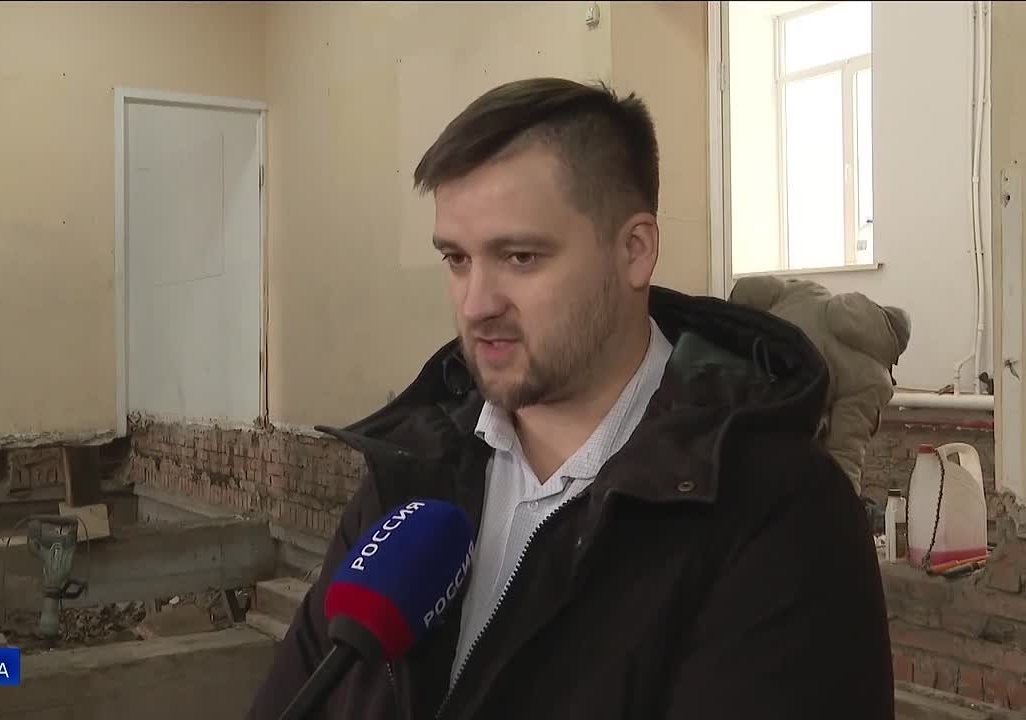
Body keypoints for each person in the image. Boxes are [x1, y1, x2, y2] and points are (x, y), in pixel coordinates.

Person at [246, 78, 894, 720]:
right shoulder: (412, 473)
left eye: (520, 257)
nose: (476, 304)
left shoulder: (778, 513)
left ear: (634, 251)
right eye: (457, 259)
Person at [729, 275, 912, 499]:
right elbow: (846, 449)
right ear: (895, 348)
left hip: (723, 386)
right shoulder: (873, 378)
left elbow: (750, 288)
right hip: (770, 431)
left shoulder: (808, 291)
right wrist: (844, 505)